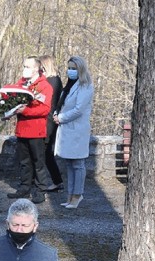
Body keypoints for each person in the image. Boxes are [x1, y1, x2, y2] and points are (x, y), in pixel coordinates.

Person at [6, 55, 53, 205]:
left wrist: (24, 111)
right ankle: (24, 188)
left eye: (27, 67)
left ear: (36, 69)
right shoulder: (21, 83)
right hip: (22, 129)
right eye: (24, 66)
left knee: (38, 162)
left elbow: (44, 110)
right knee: (24, 162)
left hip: (36, 130)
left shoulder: (45, 86)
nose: (24, 69)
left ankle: (40, 191)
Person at [54, 55, 94, 209]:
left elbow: (78, 109)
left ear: (80, 69)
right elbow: (64, 104)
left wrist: (61, 118)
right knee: (70, 163)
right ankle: (70, 195)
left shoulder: (86, 85)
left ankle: (77, 194)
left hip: (77, 129)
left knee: (78, 163)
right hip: (67, 129)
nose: (70, 71)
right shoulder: (70, 85)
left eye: (73, 69)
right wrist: (57, 114)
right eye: (69, 68)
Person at [39, 54, 64, 192]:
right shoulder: (56, 80)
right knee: (46, 153)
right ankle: (57, 180)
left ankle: (49, 181)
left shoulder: (51, 81)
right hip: (50, 120)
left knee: (43, 152)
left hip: (48, 121)